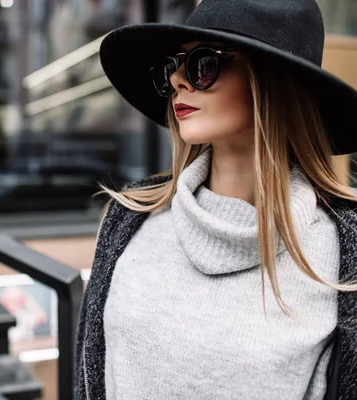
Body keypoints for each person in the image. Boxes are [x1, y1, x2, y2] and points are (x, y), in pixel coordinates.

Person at [74, 0, 357, 399]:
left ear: (273, 78)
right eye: (173, 66)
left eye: (202, 63)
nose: (177, 80)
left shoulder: (342, 252)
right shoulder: (130, 219)